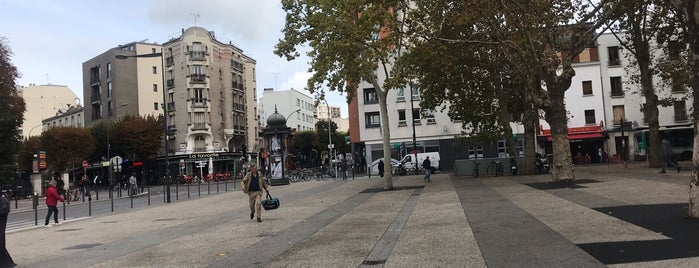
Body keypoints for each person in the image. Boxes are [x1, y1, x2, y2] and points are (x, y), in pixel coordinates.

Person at [0, 194, 15, 267]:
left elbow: (4, 211)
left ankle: (7, 263)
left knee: (1, 245)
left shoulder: (3, 200)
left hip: (1, 224)